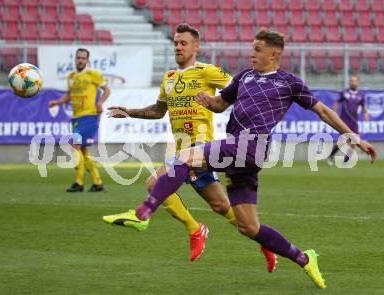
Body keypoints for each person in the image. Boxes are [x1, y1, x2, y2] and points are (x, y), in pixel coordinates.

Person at [108, 29, 377, 289]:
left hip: (251, 145)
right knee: (248, 227)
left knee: (186, 158)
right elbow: (220, 104)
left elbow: (324, 112)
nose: (252, 55)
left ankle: (143, 213)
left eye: (257, 50)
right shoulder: (245, 75)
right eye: (252, 49)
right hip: (239, 151)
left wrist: (353, 137)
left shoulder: (290, 82)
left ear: (274, 54)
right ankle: (305, 258)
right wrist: (206, 101)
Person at [102, 23, 276, 270]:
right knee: (221, 206)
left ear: (196, 46)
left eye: (183, 43)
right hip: (184, 149)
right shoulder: (169, 78)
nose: (178, 47)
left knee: (154, 183)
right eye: (175, 43)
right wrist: (128, 112)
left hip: (201, 148)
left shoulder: (207, 72)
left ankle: (195, 230)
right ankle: (265, 242)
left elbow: (240, 89)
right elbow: (157, 110)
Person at [49, 48, 111, 192]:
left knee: (74, 146)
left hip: (89, 116)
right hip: (76, 117)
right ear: (75, 59)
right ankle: (97, 182)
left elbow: (107, 90)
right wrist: (56, 102)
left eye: (83, 58)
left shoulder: (93, 74)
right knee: (82, 150)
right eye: (79, 58)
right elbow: (69, 95)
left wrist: (100, 102)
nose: (81, 60)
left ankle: (79, 182)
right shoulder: (71, 76)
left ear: (87, 61)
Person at [327, 74, 370, 165]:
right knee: (343, 141)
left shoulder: (361, 95)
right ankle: (331, 156)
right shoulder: (344, 93)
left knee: (354, 141)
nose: (353, 83)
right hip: (344, 121)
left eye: (355, 81)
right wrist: (334, 111)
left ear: (358, 82)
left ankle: (346, 161)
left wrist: (365, 113)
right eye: (351, 81)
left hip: (354, 121)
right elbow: (336, 102)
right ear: (349, 82)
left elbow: (363, 107)